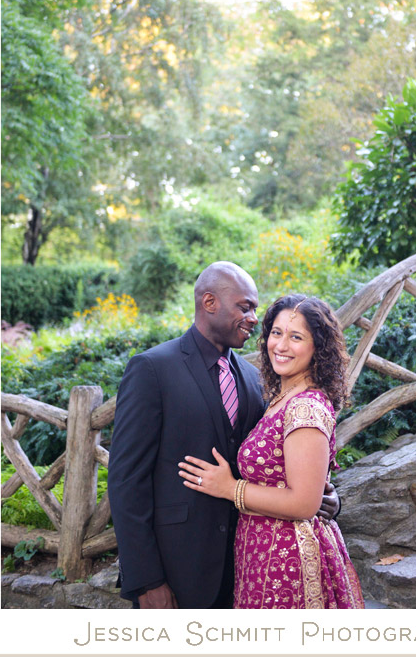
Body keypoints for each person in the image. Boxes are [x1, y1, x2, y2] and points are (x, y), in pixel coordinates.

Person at [109, 261, 339, 609]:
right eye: (244, 307)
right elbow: (126, 480)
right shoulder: (153, 369)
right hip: (176, 570)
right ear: (210, 302)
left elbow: (277, 462)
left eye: (254, 310)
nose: (252, 318)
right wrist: (145, 580)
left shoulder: (254, 379)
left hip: (248, 568)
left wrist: (323, 497)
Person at [179, 294, 364, 608]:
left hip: (289, 561)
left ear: (317, 347)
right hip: (262, 551)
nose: (281, 345)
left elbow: (304, 503)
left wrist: (229, 488)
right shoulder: (282, 397)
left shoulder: (305, 407)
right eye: (276, 333)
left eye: (296, 337)